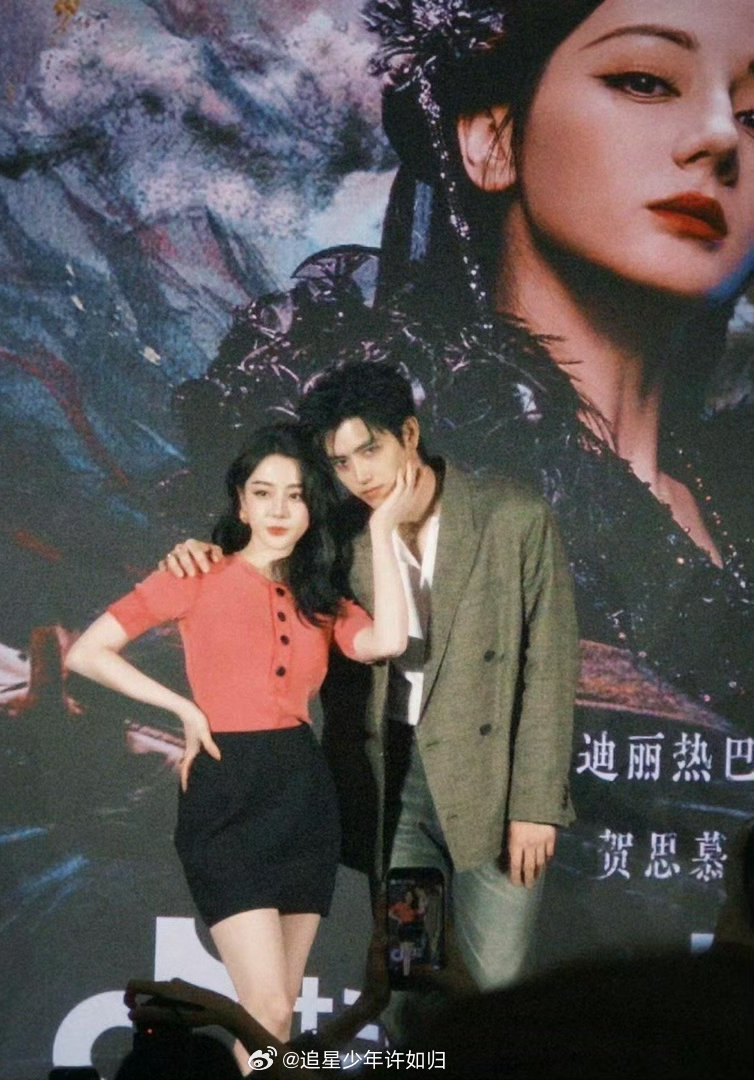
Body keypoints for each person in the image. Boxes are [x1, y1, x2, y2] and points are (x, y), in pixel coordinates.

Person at [170, 0, 754, 968]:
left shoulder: (712, 500)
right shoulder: (389, 443)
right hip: (410, 822)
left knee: (494, 996)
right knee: (420, 998)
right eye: (645, 80)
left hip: (590, 914)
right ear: (490, 139)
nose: (718, 141)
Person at [164, 362, 579, 1043]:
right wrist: (199, 555)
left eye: (370, 450)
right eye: (341, 462)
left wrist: (536, 802)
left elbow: (550, 666)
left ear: (409, 434)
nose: (359, 474)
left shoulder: (512, 516)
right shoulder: (336, 538)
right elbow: (254, 571)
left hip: (494, 786)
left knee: (496, 990)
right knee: (409, 985)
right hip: (395, 788)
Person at [65, 422, 415, 1072]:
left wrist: (386, 528)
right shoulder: (196, 573)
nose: (279, 510)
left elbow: (388, 641)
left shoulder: (322, 597)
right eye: (263, 492)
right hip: (226, 792)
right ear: (241, 503)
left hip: (303, 796)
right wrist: (181, 708)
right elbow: (87, 653)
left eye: (295, 495)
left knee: (275, 1014)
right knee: (267, 1007)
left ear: (312, 507)